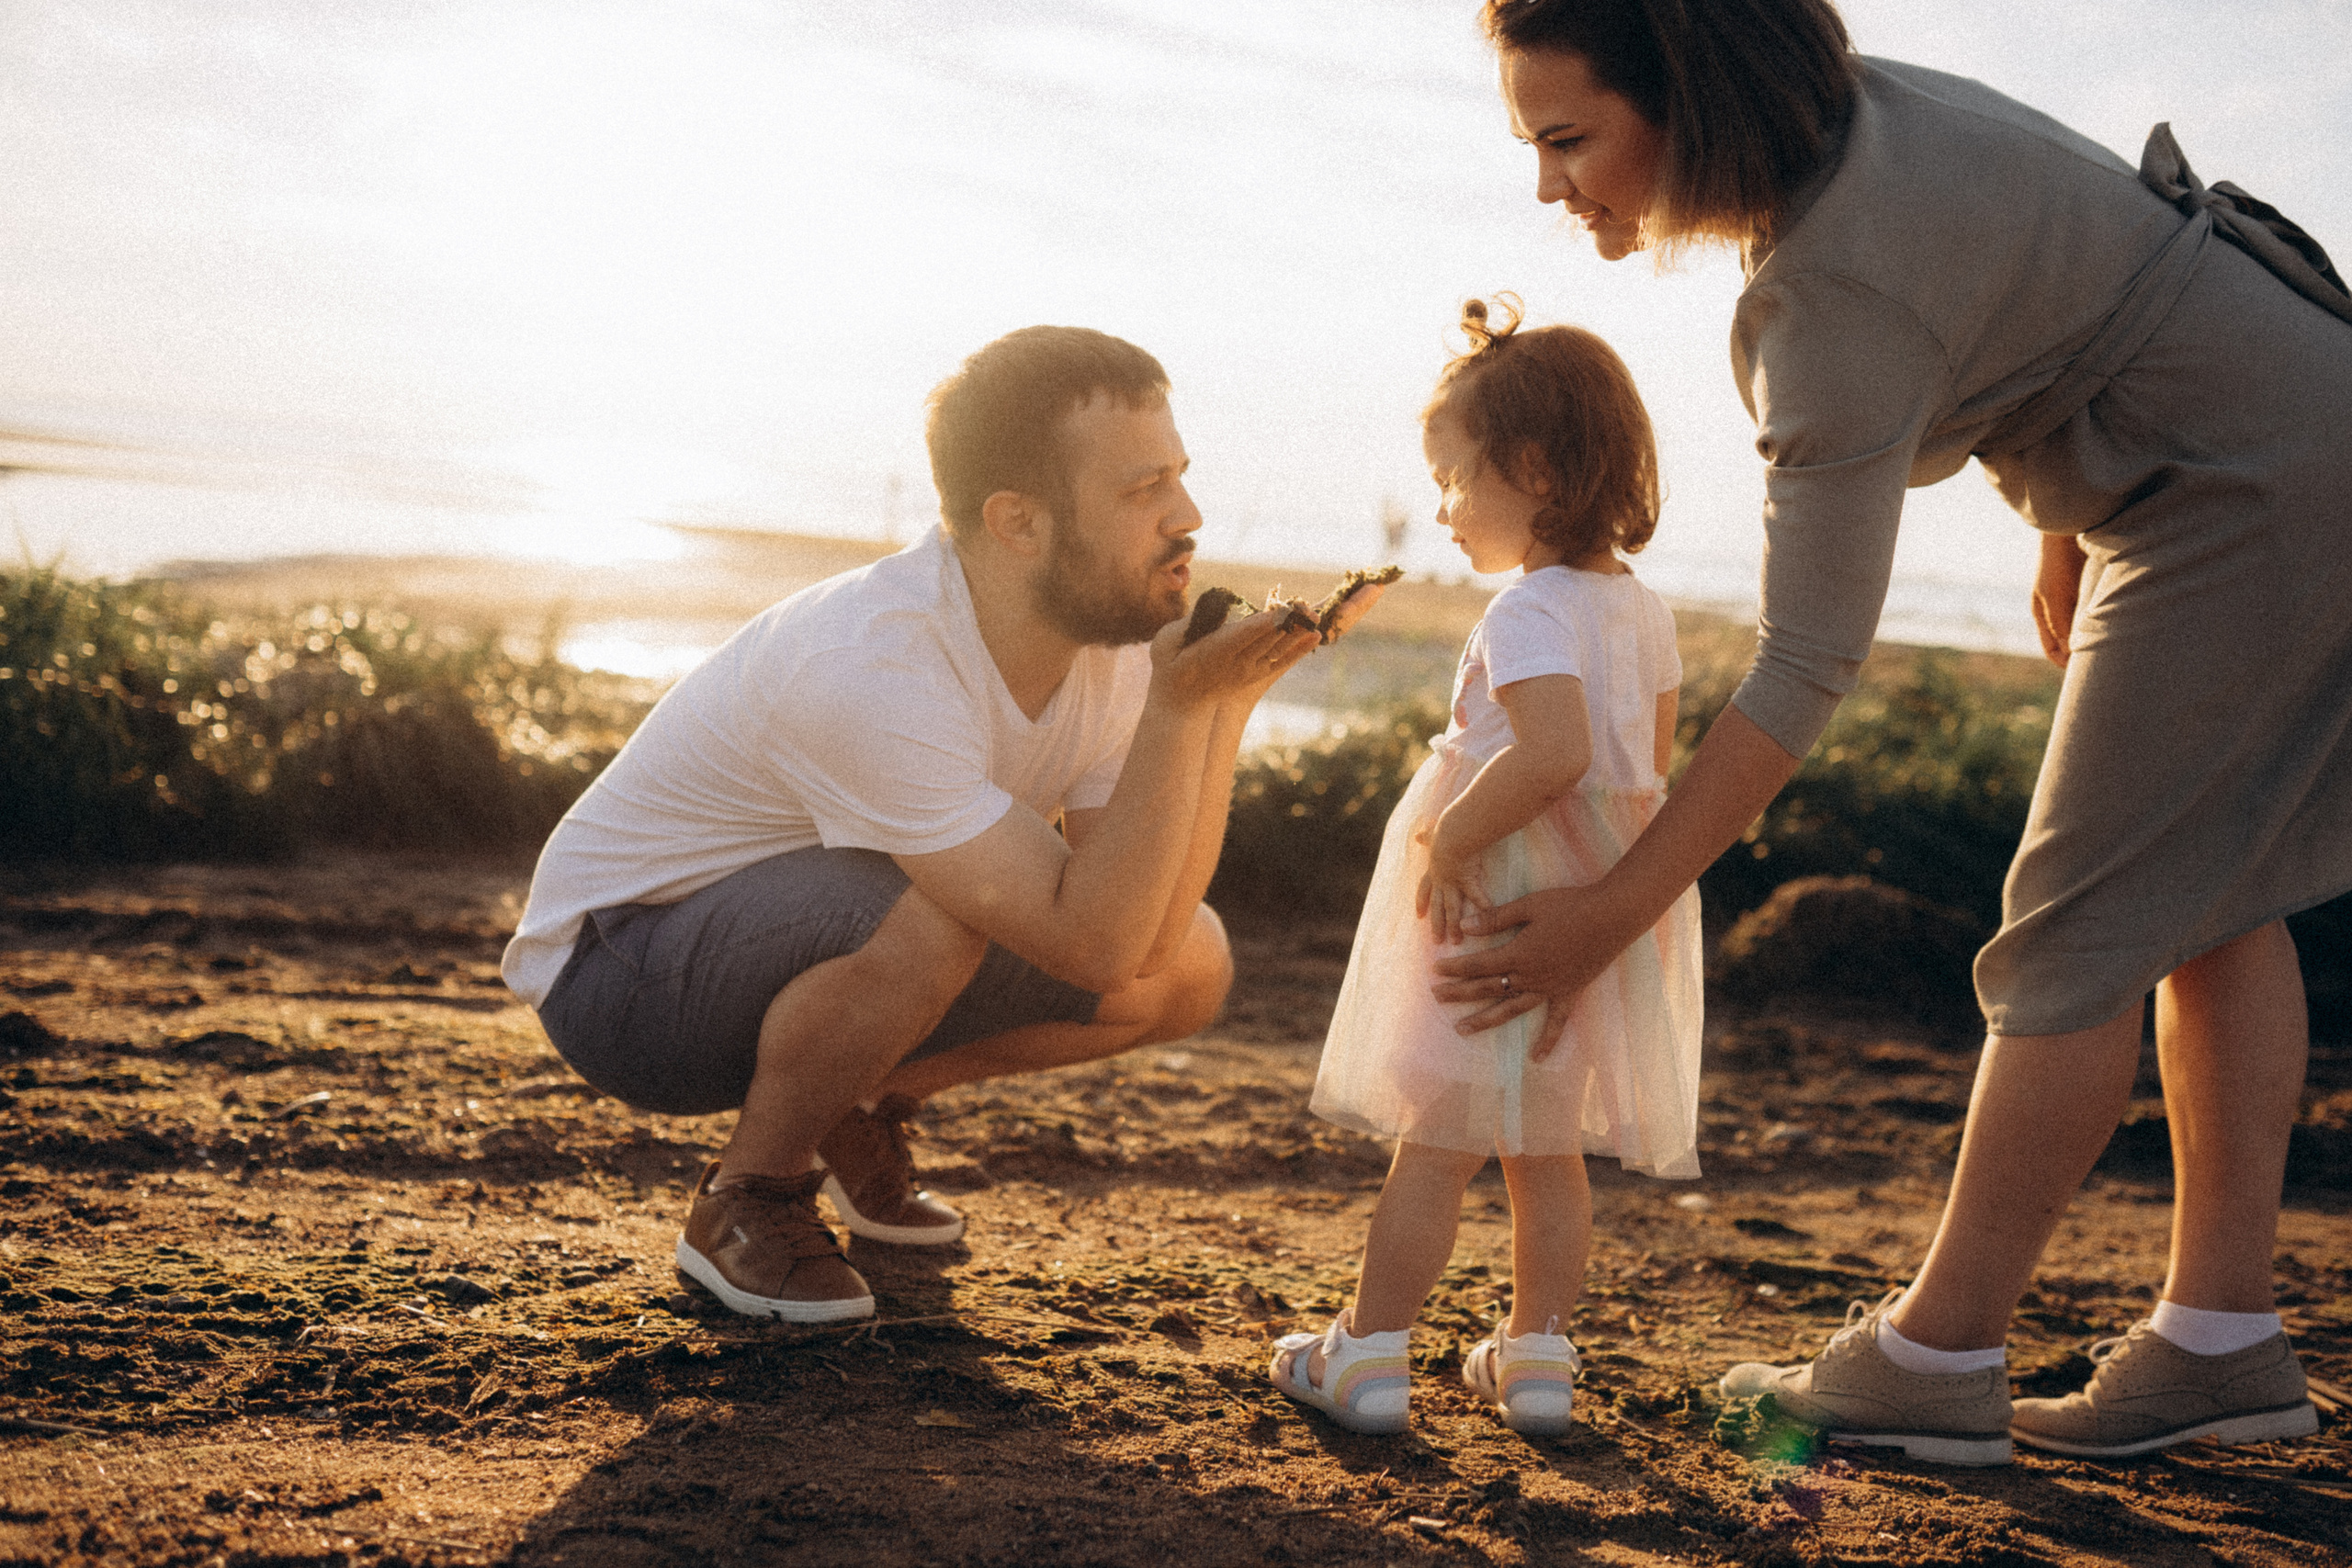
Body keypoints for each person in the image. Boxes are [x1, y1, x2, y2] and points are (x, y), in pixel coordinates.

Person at [1438, 0, 2350, 1464]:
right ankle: (2219, 1339)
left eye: (1567, 140)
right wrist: (2071, 510)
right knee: (2212, 894)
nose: (1549, 185)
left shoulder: (1825, 292)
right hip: (2288, 425)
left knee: (2072, 930)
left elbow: (1804, 666)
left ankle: (1939, 1351)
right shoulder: (1874, 120)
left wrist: (1612, 907)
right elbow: (2076, 279)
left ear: (1689, 99)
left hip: (2242, 487)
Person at [502, 325, 1338, 1324]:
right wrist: (1182, 706)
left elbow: (1135, 942)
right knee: (937, 910)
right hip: (621, 976)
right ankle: (749, 1197)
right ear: (1017, 522)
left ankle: (853, 1101)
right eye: (1141, 488)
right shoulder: (874, 660)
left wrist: (1216, 708)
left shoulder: (1111, 640)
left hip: (815, 938)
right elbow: (1090, 939)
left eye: (1180, 478)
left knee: (1190, 962)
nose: (1187, 516)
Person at [1269, 299, 1701, 1436]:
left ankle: (1367, 1354)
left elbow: (1555, 755)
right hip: (1590, 905)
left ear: (1535, 470)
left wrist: (1451, 835)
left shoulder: (1527, 610)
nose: (1443, 511)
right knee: (1546, 1149)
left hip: (1499, 899)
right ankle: (1537, 1360)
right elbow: (1644, 776)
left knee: (1439, 1140)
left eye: (1455, 480)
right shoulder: (1646, 613)